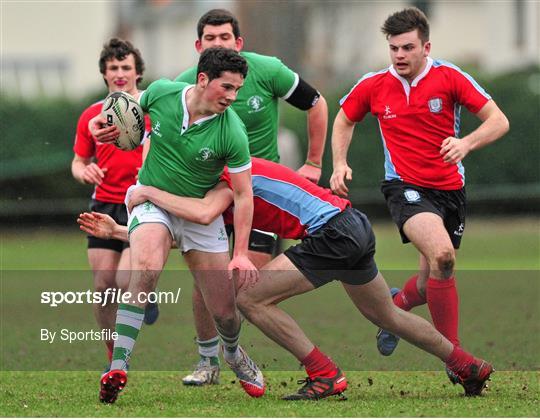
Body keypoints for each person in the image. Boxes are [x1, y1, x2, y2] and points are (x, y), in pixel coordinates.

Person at [79, 157, 495, 400]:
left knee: (248, 298)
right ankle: (467, 364)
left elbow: (202, 215)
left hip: (333, 231)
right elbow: (189, 232)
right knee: (386, 314)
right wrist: (118, 231)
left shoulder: (227, 176)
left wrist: (147, 193)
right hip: (351, 224)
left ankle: (324, 373)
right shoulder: (218, 179)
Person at [329, 7, 509, 379]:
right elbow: (345, 117)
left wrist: (466, 143)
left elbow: (498, 120)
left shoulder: (450, 77)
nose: (399, 56)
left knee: (431, 281)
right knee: (442, 255)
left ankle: (395, 307)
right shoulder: (374, 84)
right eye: (393, 48)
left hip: (450, 191)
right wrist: (340, 163)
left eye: (407, 48)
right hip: (405, 189)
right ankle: (456, 360)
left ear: (426, 47)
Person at [89, 48, 263, 404]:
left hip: (199, 212)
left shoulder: (232, 130)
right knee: (147, 268)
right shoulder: (163, 92)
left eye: (237, 90)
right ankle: (117, 366)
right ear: (202, 80)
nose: (232, 97)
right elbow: (125, 111)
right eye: (226, 87)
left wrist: (241, 254)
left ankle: (231, 353)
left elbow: (244, 196)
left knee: (225, 313)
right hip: (150, 203)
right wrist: (102, 125)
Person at [175, 8, 329, 387]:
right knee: (205, 281)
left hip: (260, 198)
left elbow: (317, 102)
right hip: (211, 195)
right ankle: (208, 361)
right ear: (198, 46)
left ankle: (234, 353)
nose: (217, 44)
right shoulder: (183, 85)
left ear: (238, 43)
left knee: (243, 284)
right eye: (209, 39)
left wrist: (313, 162)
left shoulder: (267, 70)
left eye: (224, 38)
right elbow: (154, 125)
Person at [71, 38, 158, 367]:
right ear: (104, 74)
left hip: (140, 204)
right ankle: (112, 353)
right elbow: (78, 162)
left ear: (138, 73)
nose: (119, 73)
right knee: (103, 285)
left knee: (125, 280)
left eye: (126, 67)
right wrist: (85, 170)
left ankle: (144, 295)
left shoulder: (153, 110)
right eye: (113, 68)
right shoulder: (92, 115)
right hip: (104, 204)